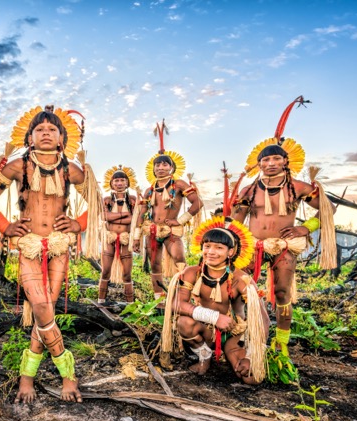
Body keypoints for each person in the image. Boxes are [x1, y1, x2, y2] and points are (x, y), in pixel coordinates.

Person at [0, 105, 103, 403]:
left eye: (52, 129)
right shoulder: (17, 166)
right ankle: (68, 375)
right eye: (39, 129)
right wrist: (6, 226)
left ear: (62, 138)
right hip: (29, 246)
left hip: (58, 246)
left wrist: (77, 224)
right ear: (29, 137)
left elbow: (98, 203)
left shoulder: (71, 169)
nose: (46, 133)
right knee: (41, 306)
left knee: (45, 311)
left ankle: (26, 377)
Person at [231, 96, 336, 357]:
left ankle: (281, 343)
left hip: (284, 246)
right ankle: (239, 331)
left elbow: (329, 209)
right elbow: (236, 221)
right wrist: (229, 241)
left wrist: (305, 228)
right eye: (265, 161)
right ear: (259, 164)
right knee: (236, 287)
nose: (270, 164)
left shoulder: (298, 187)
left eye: (275, 159)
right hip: (253, 246)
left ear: (285, 161)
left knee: (281, 292)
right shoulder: (249, 189)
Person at [161, 216, 268, 384]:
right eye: (207, 246)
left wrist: (252, 355)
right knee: (184, 322)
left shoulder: (241, 280)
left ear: (230, 252)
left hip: (233, 336)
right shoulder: (192, 273)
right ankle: (204, 355)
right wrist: (214, 317)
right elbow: (176, 304)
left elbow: (263, 319)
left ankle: (232, 354)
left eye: (219, 247)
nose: (211, 252)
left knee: (251, 378)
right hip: (205, 331)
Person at [132, 120, 202, 299]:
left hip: (171, 230)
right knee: (155, 265)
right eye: (158, 165)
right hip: (152, 230)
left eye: (165, 165)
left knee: (179, 260)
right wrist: (136, 237)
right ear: (153, 169)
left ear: (171, 167)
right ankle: (159, 298)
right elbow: (141, 214)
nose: (161, 168)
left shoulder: (178, 184)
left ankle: (184, 296)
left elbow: (198, 203)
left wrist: (180, 220)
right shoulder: (149, 190)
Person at [98, 165, 138, 305]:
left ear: (127, 183)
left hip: (126, 239)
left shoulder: (132, 200)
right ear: (111, 183)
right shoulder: (107, 200)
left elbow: (134, 219)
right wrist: (124, 215)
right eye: (116, 181)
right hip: (110, 238)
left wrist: (114, 217)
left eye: (122, 180)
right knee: (105, 271)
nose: (119, 183)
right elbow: (104, 216)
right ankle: (101, 301)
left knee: (127, 274)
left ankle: (130, 304)